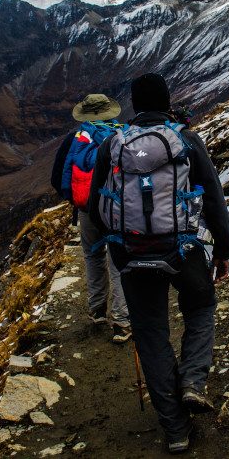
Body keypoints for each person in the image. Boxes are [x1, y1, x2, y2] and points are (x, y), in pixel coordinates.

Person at [88, 74, 229, 453]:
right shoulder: (185, 139)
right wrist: (222, 249)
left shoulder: (112, 145)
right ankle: (193, 383)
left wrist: (117, 246)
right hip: (182, 250)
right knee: (200, 308)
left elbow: (95, 207)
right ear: (168, 101)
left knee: (151, 336)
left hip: (133, 256)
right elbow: (214, 197)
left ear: (134, 106)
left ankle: (176, 431)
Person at [51, 93, 132, 343]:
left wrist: (77, 199)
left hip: (87, 209)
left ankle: (97, 310)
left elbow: (57, 177)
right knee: (118, 260)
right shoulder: (124, 135)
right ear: (111, 112)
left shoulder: (76, 139)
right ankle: (121, 321)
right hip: (117, 209)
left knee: (92, 255)